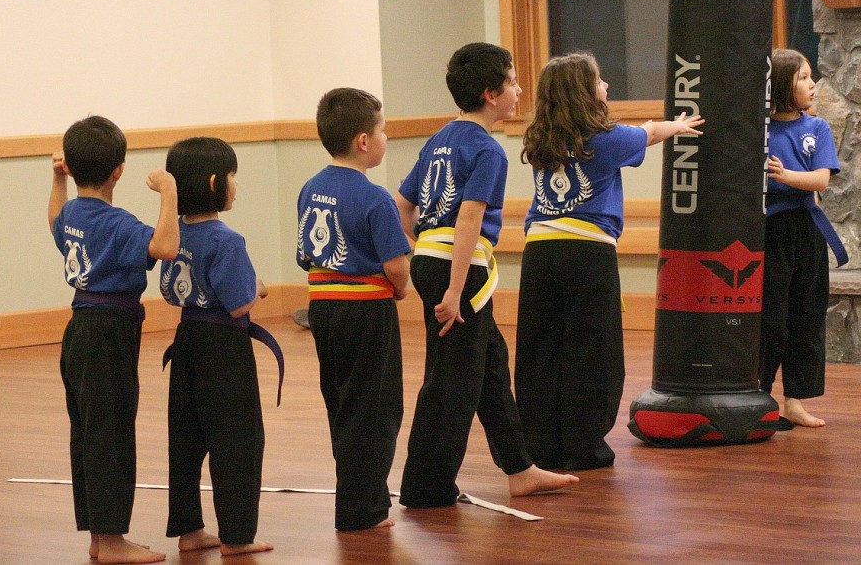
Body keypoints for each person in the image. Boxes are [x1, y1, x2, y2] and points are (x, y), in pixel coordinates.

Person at [394, 42, 579, 509]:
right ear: (490, 93)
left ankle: (519, 468)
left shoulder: (439, 140)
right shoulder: (488, 151)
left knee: (490, 365)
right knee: (452, 379)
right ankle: (425, 487)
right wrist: (454, 289)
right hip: (461, 272)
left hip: (434, 261)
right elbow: (469, 219)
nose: (519, 91)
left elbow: (403, 204)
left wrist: (419, 257)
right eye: (513, 82)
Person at [515, 52, 704, 470]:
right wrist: (681, 125)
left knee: (540, 350)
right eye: (600, 81)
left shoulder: (540, 140)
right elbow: (650, 133)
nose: (606, 88)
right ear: (585, 92)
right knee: (593, 352)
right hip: (587, 253)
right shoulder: (605, 139)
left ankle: (540, 446)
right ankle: (583, 447)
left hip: (540, 253)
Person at [48, 115, 178, 564]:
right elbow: (164, 247)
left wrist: (56, 180)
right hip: (109, 332)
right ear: (118, 170)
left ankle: (99, 537)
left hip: (79, 329)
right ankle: (111, 539)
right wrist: (169, 192)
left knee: (87, 432)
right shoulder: (117, 223)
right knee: (111, 433)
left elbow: (54, 222)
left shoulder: (73, 214)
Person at [296, 88, 411, 530]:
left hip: (323, 308)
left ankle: (357, 499)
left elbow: (307, 255)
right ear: (364, 141)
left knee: (342, 402)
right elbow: (396, 266)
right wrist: (400, 291)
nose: (386, 138)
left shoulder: (311, 188)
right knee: (377, 408)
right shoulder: (375, 197)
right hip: (366, 311)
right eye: (382, 130)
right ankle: (363, 509)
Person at [160, 137, 273, 556]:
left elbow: (171, 291)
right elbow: (240, 300)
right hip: (224, 346)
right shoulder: (227, 239)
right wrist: (257, 287)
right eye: (232, 176)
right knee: (237, 439)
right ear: (213, 182)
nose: (235, 185)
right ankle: (237, 535)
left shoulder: (176, 233)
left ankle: (189, 530)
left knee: (187, 438)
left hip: (187, 339)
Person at [760, 48, 844, 428]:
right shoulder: (758, 130)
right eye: (803, 77)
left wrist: (786, 176)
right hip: (769, 232)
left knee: (805, 314)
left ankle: (794, 400)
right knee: (770, 317)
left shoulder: (816, 128)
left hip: (805, 229)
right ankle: (760, 397)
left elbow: (821, 179)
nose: (812, 85)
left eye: (812, 77)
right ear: (780, 84)